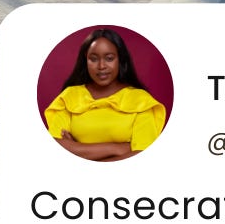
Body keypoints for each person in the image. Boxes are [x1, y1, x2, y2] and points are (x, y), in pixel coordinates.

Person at [44, 28, 166, 161]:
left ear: (120, 59)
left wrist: (76, 148)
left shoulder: (141, 101)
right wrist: (116, 149)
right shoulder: (69, 97)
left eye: (109, 58)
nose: (101, 66)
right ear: (86, 60)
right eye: (93, 59)